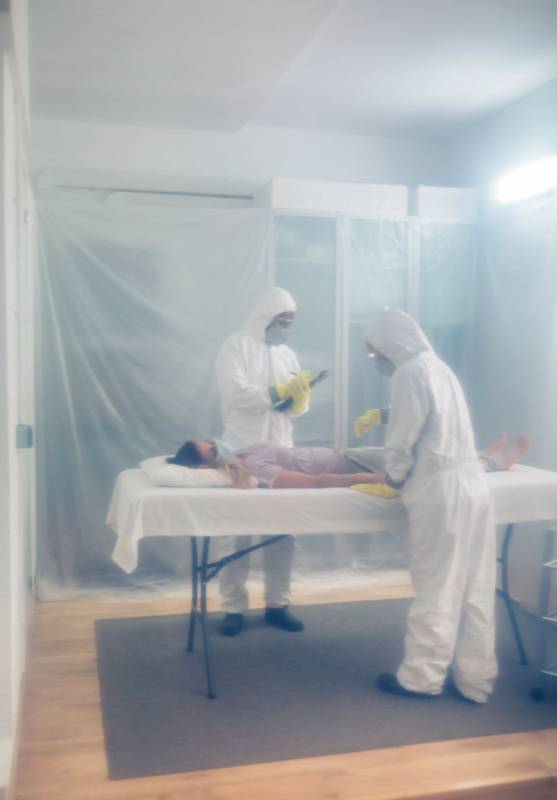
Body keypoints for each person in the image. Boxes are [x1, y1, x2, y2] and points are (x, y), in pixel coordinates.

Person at [362, 308, 498, 704]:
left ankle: (421, 678)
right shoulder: (439, 367)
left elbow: (402, 438)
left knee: (437, 585)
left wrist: (393, 478)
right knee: (476, 586)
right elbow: (437, 419)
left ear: (389, 342)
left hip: (441, 491)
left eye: (374, 350)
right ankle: (475, 681)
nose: (375, 358)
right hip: (473, 483)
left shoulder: (409, 372)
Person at [214, 287, 313, 636]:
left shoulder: (287, 354)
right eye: (282, 320)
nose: (286, 327)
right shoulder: (235, 346)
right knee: (235, 532)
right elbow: (235, 393)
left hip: (281, 449)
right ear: (265, 317)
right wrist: (275, 395)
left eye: (290, 321)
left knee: (283, 531)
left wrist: (298, 400)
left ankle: (278, 604)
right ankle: (232, 607)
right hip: (242, 451)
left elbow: (298, 406)